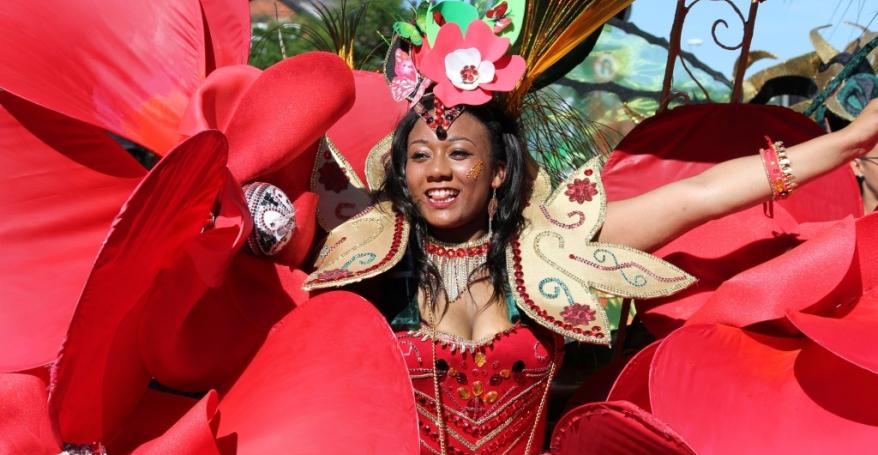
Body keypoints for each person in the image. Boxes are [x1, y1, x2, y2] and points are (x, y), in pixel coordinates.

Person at [302, 8, 878, 454]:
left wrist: (849, 141)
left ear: (500, 170)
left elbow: (696, 197)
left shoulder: (545, 248)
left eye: (458, 153)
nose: (438, 172)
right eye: (420, 155)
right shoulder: (371, 257)